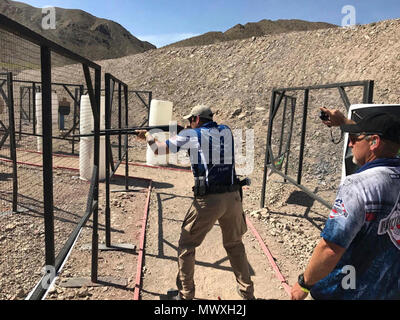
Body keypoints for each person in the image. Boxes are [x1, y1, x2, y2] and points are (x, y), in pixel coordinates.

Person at [136, 105, 255, 300]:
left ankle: (186, 295)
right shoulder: (225, 130)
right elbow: (208, 140)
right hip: (233, 197)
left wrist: (148, 136)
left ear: (197, 119)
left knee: (186, 244)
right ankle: (248, 294)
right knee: (235, 245)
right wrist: (186, 131)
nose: (189, 123)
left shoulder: (192, 135)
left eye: (191, 120)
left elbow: (158, 150)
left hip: (209, 200)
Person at [291, 107, 400, 300]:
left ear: (374, 141)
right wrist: (343, 122)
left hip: (349, 291)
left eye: (354, 139)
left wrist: (304, 284)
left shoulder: (358, 185)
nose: (350, 145)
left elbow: (330, 248)